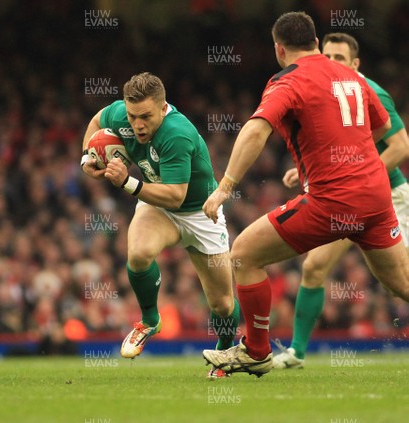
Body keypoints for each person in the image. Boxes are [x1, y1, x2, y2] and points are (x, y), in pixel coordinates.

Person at [202, 12, 409, 377]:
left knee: (244, 255)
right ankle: (277, 349)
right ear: (316, 42)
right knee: (401, 284)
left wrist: (224, 188)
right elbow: (382, 126)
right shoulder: (354, 78)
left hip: (333, 201)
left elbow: (254, 131)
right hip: (376, 197)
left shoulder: (288, 80)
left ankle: (256, 350)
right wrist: (340, 155)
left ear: (279, 49)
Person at [81, 72, 240, 368]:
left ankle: (226, 350)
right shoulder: (121, 116)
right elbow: (96, 121)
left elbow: (176, 196)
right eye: (132, 116)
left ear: (163, 107)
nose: (138, 124)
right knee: (138, 254)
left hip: (199, 211)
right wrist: (86, 158)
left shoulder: (176, 133)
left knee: (222, 304)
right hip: (158, 205)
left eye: (146, 116)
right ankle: (150, 320)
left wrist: (127, 183)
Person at [273, 32, 409, 369]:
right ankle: (297, 353)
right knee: (314, 266)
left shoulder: (371, 91)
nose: (332, 63)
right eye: (328, 56)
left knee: (401, 285)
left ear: (355, 64)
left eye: (340, 58)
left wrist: (359, 178)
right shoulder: (325, 88)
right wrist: (304, 174)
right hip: (345, 200)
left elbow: (400, 146)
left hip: (389, 196)